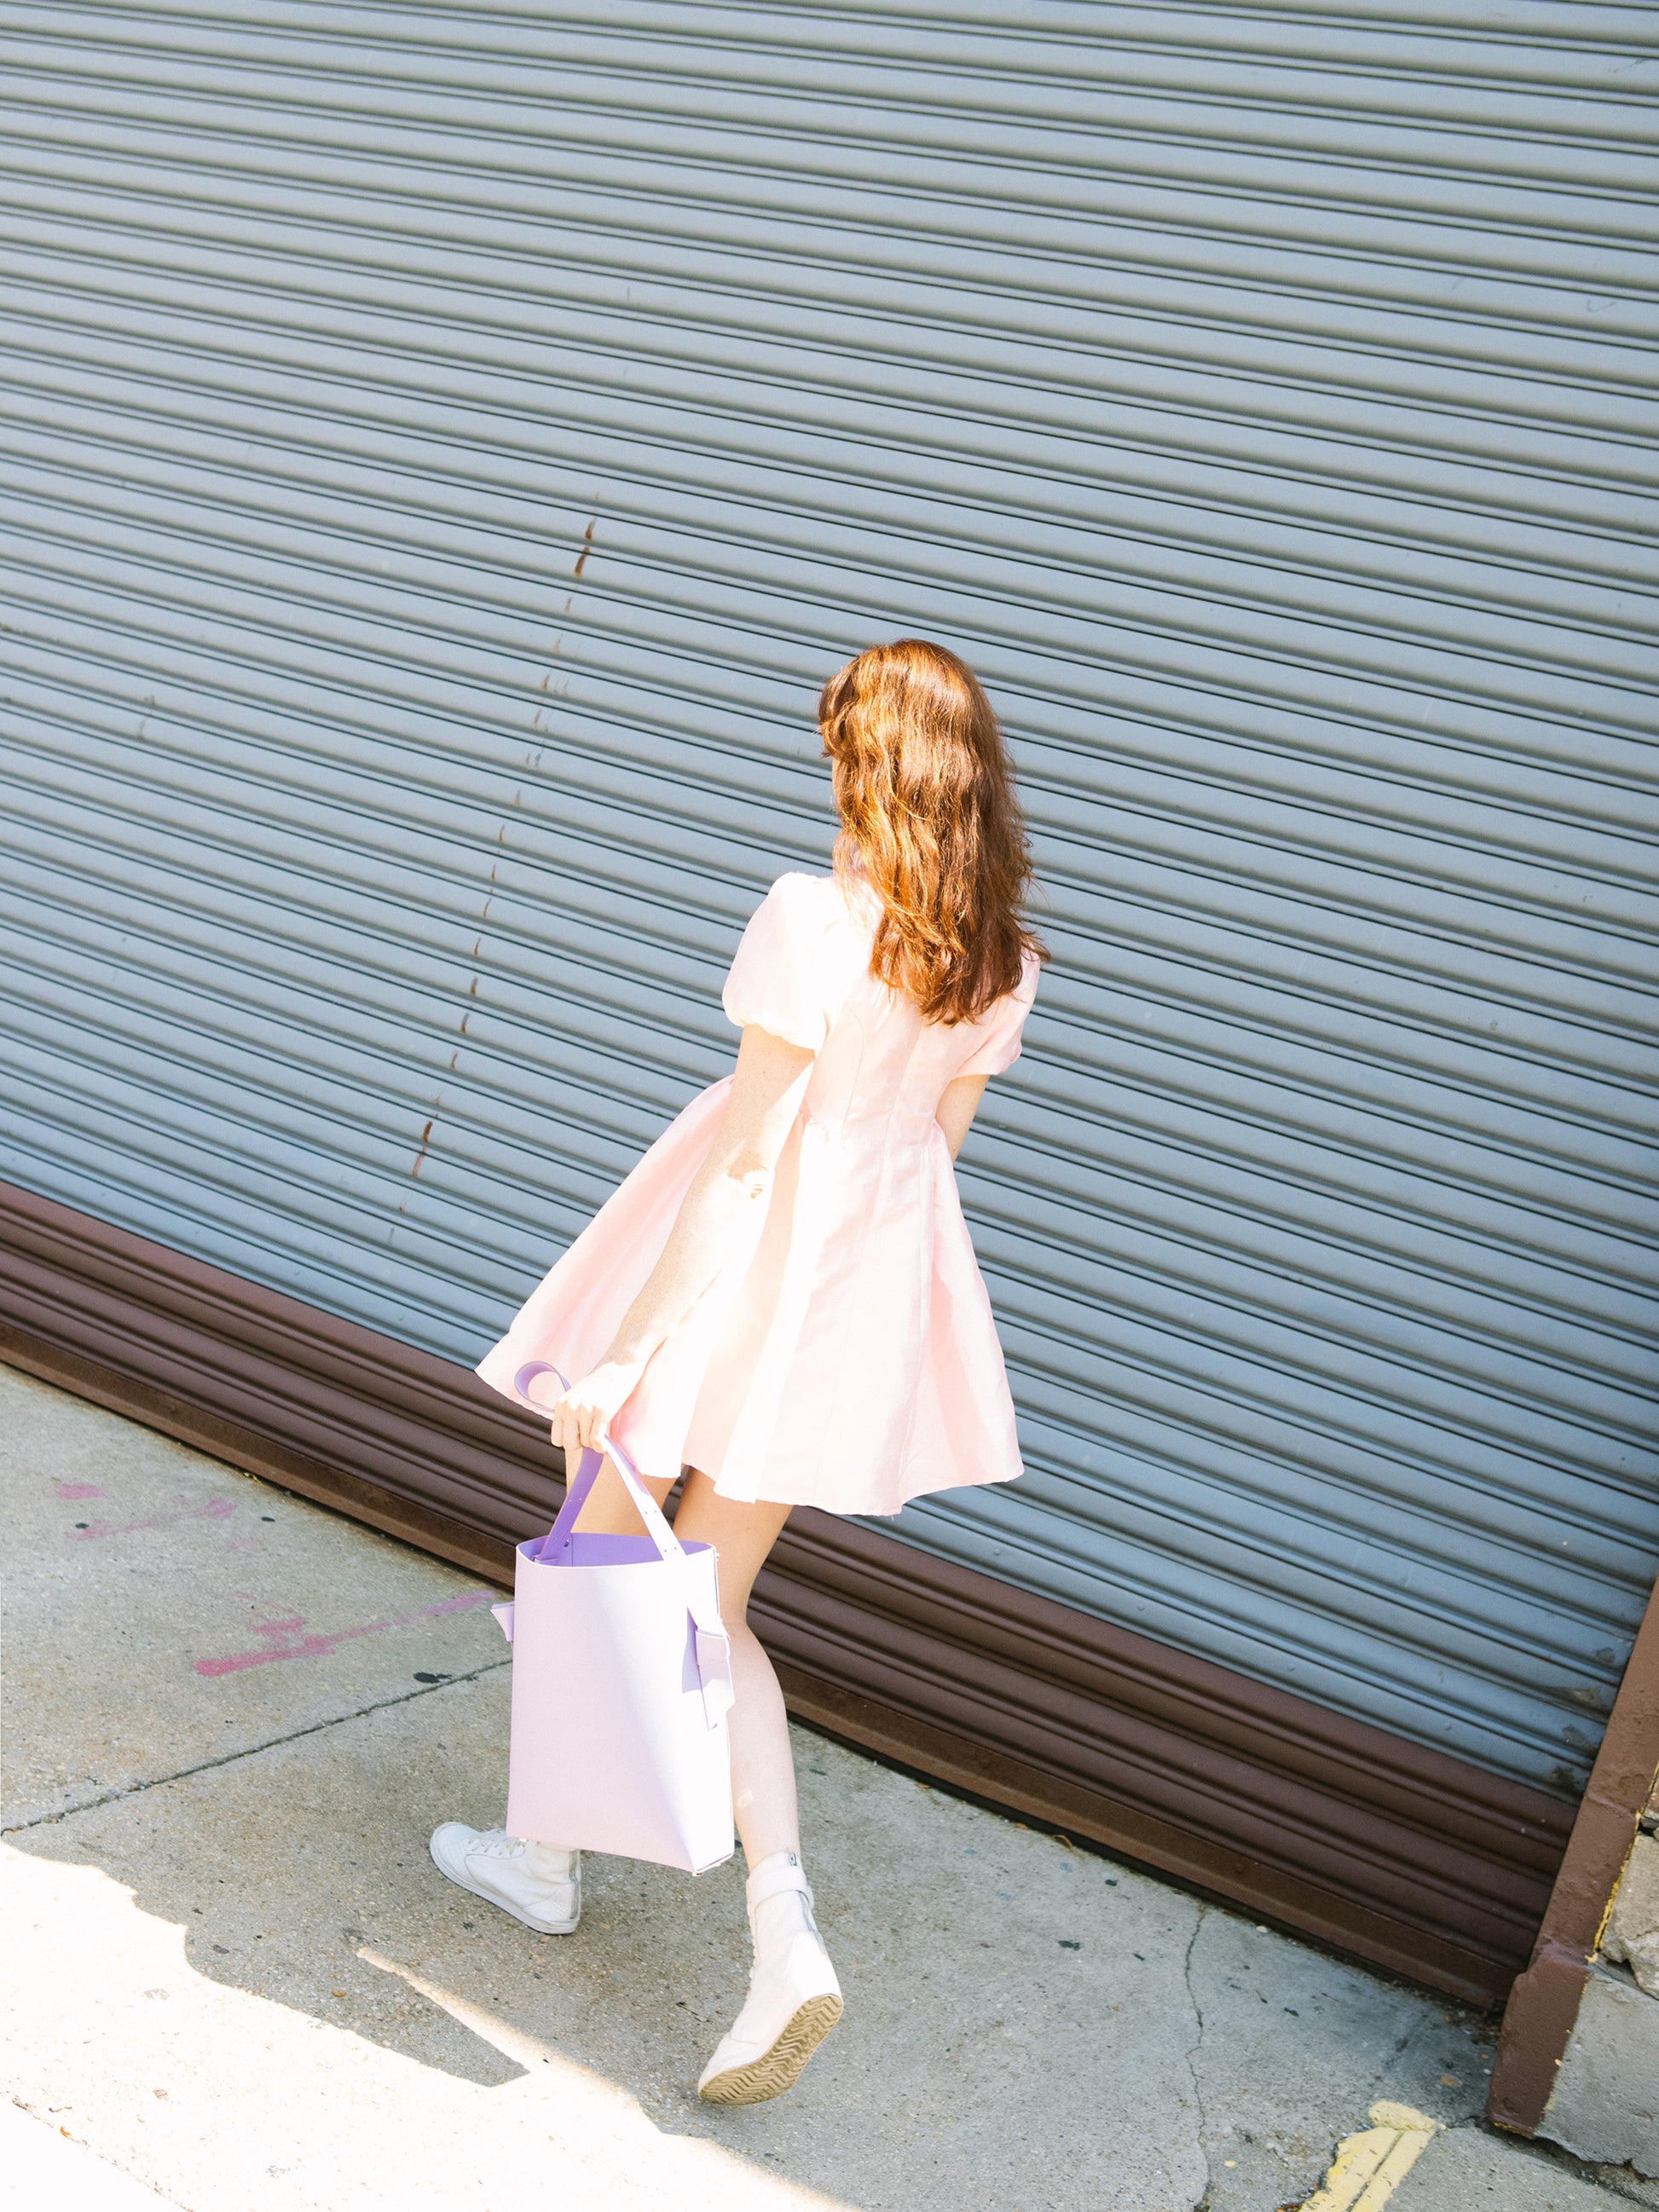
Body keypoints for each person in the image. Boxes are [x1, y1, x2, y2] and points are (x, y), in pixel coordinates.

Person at [431, 638, 1046, 2105]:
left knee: (596, 1546)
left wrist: (630, 1343)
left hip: (732, 1263)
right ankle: (779, 1929)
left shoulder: (812, 917)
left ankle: (545, 1857)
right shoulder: (1000, 960)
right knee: (705, 1604)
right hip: (850, 1302)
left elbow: (754, 1148)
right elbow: (929, 1160)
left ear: (866, 765)